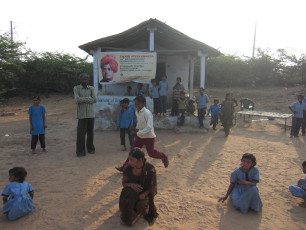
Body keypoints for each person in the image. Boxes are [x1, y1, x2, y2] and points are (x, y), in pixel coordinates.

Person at [116, 95, 169, 171]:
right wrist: (136, 130)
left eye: (138, 104)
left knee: (151, 153)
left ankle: (164, 156)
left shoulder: (147, 113)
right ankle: (125, 167)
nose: (137, 106)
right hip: (140, 136)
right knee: (133, 152)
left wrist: (138, 132)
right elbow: (139, 123)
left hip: (149, 137)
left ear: (144, 104)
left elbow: (149, 127)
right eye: (136, 104)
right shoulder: (137, 112)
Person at [119, 148, 158, 226]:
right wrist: (131, 185)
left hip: (144, 194)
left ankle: (138, 206)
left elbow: (152, 186)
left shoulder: (149, 169)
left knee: (140, 207)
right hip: (131, 194)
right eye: (129, 159)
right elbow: (124, 183)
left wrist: (144, 194)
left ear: (140, 160)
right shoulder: (128, 168)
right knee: (123, 206)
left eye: (132, 160)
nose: (129, 162)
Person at [73, 73, 97, 157]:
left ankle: (90, 149)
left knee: (90, 134)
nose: (84, 81)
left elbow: (94, 100)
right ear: (80, 80)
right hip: (82, 115)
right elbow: (77, 100)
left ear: (88, 80)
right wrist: (88, 99)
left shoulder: (91, 88)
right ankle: (80, 151)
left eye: (86, 79)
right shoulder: (76, 88)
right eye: (83, 79)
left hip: (90, 114)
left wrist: (82, 99)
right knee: (80, 134)